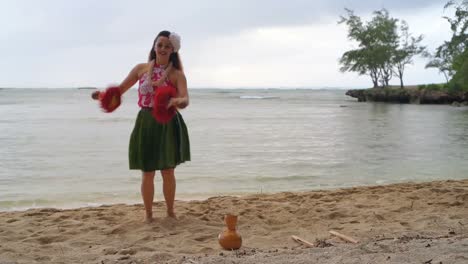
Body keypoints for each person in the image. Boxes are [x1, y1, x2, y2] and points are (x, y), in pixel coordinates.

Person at [92, 30, 190, 223]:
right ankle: (149, 215)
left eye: (167, 46)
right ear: (154, 46)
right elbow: (120, 90)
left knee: (168, 170)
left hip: (168, 123)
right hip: (146, 120)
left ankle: (170, 212)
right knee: (147, 171)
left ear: (173, 50)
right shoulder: (141, 69)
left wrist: (176, 101)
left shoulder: (177, 75)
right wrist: (103, 96)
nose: (162, 49)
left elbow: (185, 99)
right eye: (159, 45)